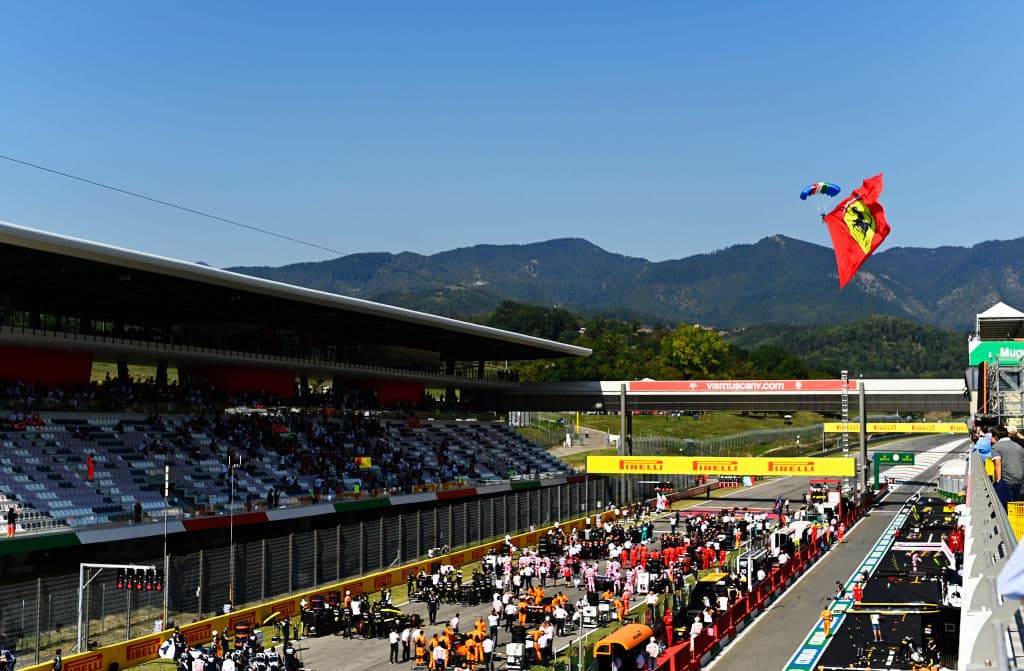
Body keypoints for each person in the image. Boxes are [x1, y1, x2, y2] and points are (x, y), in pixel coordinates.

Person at [992, 425, 1024, 509]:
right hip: (1020, 481)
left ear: (995, 436)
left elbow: (997, 464)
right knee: (1017, 506)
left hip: (1007, 481)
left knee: (1006, 508)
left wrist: (998, 482)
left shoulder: (996, 447)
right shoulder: (1019, 447)